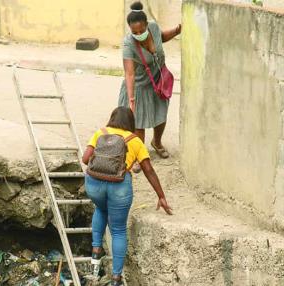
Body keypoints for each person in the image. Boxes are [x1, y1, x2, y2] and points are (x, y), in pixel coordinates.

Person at [82, 107, 172, 286]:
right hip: (119, 188)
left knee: (100, 208)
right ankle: (116, 278)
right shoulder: (135, 141)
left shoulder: (101, 133)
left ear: (112, 118)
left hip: (94, 185)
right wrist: (161, 196)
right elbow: (148, 170)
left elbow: (85, 159)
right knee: (118, 230)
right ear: (131, 123)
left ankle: (96, 251)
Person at [118, 1, 181, 172]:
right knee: (139, 123)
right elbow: (129, 74)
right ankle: (139, 156)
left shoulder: (153, 28)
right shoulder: (128, 45)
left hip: (158, 81)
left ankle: (157, 142)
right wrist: (131, 100)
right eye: (134, 32)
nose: (138, 34)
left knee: (161, 115)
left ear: (146, 25)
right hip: (139, 86)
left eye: (141, 30)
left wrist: (176, 31)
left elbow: (162, 37)